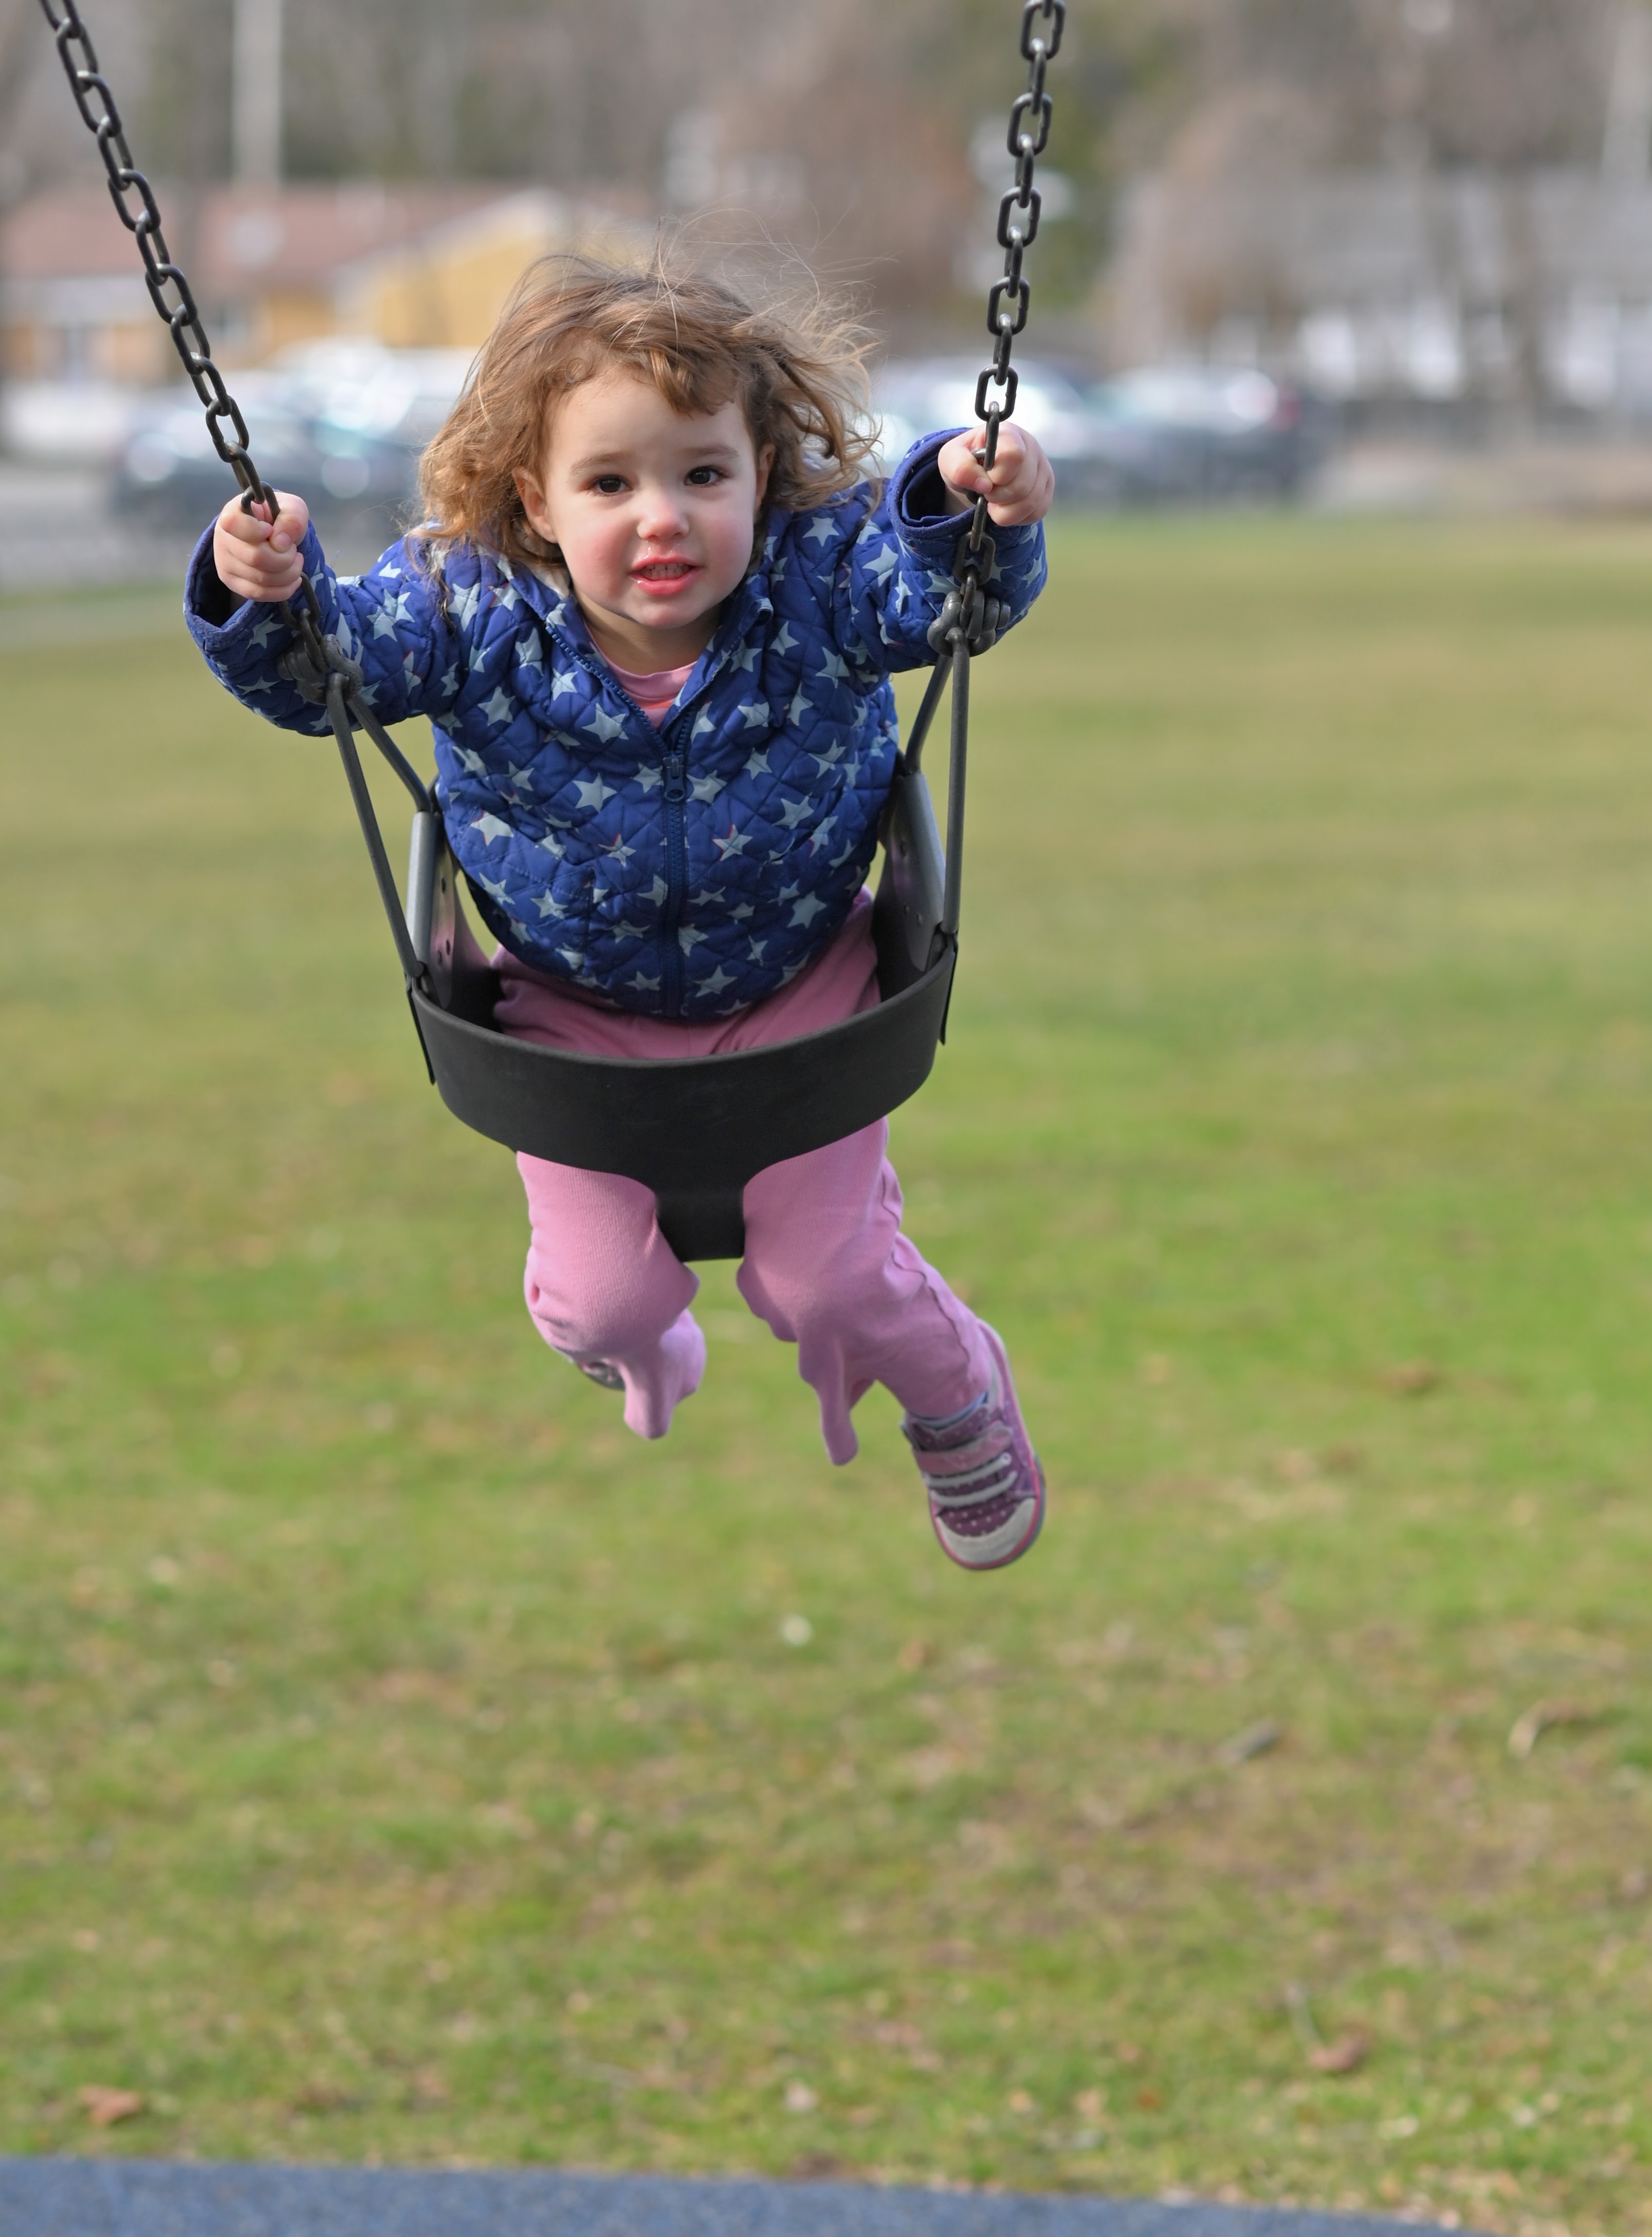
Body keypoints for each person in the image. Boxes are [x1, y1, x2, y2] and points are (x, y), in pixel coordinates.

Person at [186, 255, 1054, 1570]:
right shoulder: (464, 606)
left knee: (826, 1282)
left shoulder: (814, 583)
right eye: (610, 483)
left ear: (760, 470)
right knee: (597, 1305)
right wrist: (259, 590)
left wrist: (960, 497)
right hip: (570, 1016)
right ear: (533, 498)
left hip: (800, 991)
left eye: (702, 474)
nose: (663, 518)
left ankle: (957, 1402)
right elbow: (328, 676)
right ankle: (643, 1348)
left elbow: (942, 595)